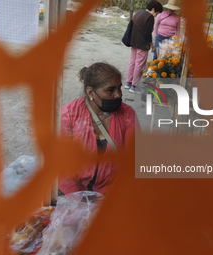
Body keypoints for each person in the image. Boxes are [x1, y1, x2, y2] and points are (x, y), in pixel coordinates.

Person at [58, 62, 140, 195]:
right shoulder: (69, 115)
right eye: (110, 90)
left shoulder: (128, 115)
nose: (118, 95)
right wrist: (79, 200)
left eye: (119, 88)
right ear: (90, 92)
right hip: (72, 192)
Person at [124, 0, 163, 94]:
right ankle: (134, 86)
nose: (156, 15)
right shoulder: (149, 17)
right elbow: (147, 33)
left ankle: (128, 83)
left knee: (132, 63)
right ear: (153, 9)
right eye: (156, 13)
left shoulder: (138, 12)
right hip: (142, 44)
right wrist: (152, 45)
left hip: (133, 42)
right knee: (139, 65)